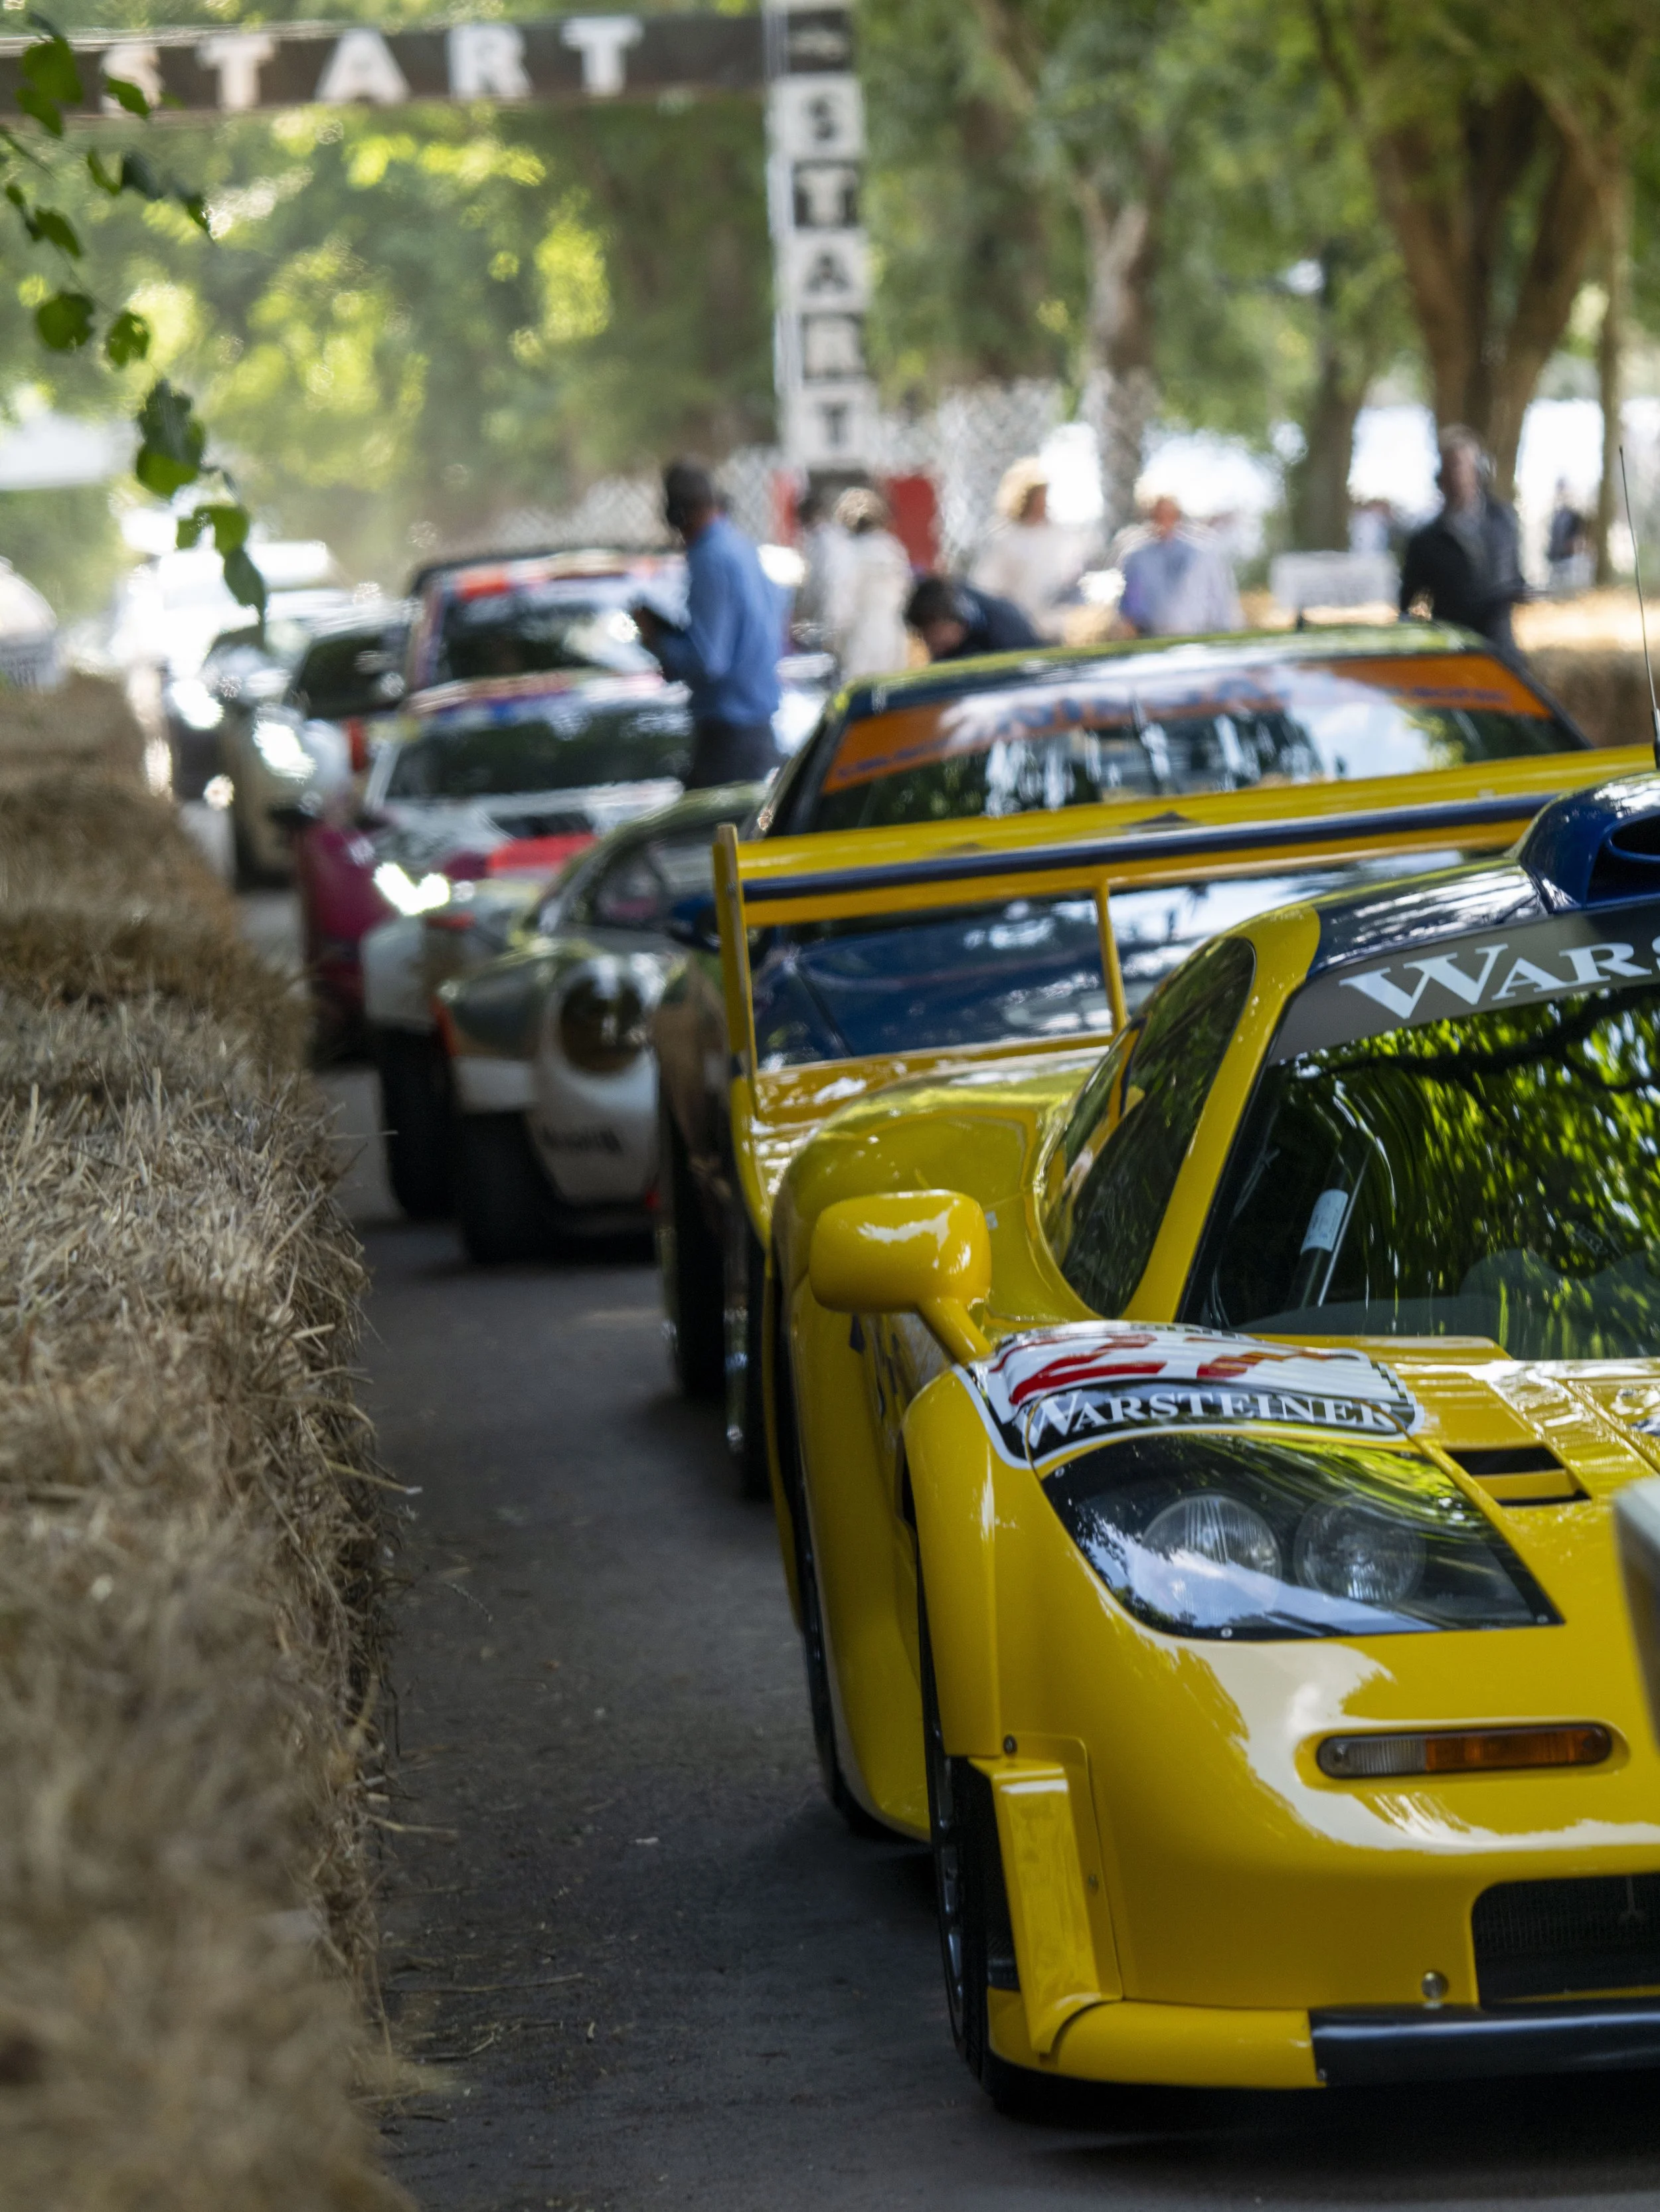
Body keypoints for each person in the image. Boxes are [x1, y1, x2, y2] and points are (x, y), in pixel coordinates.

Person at [633, 459, 782, 788]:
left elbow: (709, 659)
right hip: (755, 726)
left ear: (678, 515)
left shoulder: (710, 557)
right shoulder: (741, 547)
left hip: (731, 734)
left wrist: (656, 638)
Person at [1398, 426, 1527, 650]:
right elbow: (1408, 607)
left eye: (1463, 467)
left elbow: (1515, 578)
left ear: (1478, 472)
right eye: (1451, 469)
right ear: (1440, 477)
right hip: (1455, 653)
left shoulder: (1504, 521)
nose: (1458, 477)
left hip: (1502, 652)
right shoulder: (1426, 541)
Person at [970, 457, 1091, 639]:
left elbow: (1076, 578)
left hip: (1060, 623)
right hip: (1019, 626)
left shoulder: (1062, 536)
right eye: (1036, 495)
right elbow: (986, 588)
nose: (1041, 501)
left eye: (1044, 494)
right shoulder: (1005, 540)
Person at [1117, 495, 1242, 637]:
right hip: (1152, 640)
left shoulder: (1200, 555)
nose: (1164, 521)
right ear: (1151, 518)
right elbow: (1131, 609)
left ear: (1178, 518)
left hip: (1198, 638)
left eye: (1169, 516)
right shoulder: (1137, 559)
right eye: (1158, 516)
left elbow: (1220, 602)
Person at [829, 486, 912, 681]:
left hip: (861, 635)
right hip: (893, 632)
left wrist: (835, 640)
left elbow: (840, 605)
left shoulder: (848, 554)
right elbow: (906, 590)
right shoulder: (893, 549)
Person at [904, 574, 1040, 662]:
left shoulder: (1008, 628)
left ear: (953, 618)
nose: (932, 644)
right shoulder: (946, 650)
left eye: (934, 633)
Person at [791, 483, 853, 651]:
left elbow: (817, 585)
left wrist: (802, 611)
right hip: (845, 614)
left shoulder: (819, 543)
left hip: (827, 618)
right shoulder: (838, 537)